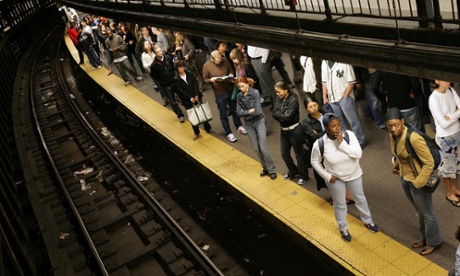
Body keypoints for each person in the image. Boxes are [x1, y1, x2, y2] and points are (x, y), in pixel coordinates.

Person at [311, 113, 378, 242]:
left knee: (360, 198)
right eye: (333, 126)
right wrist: (327, 176)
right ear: (326, 128)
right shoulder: (320, 144)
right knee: (340, 204)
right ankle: (343, 228)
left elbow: (358, 154)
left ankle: (368, 221)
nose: (337, 128)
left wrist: (342, 144)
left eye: (338, 125)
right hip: (335, 178)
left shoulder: (349, 136)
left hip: (353, 174)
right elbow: (314, 161)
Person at [386, 107, 442, 255]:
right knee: (418, 211)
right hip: (405, 177)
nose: (393, 128)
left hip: (418, 180)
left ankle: (434, 242)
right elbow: (400, 154)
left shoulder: (413, 138)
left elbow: (429, 162)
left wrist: (419, 182)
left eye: (396, 125)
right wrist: (396, 167)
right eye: (390, 126)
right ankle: (423, 238)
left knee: (428, 213)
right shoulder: (393, 135)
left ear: (402, 122)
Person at [236, 76, 277, 180]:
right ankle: (265, 168)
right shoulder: (239, 96)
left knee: (263, 148)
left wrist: (244, 113)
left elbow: (257, 111)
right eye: (239, 87)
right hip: (249, 124)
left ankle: (272, 170)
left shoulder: (255, 93)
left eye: (242, 86)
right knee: (256, 148)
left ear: (247, 84)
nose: (241, 89)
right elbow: (237, 113)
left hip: (259, 122)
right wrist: (248, 112)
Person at [428, 80, 460, 207]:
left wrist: (450, 116)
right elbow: (443, 123)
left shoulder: (451, 90)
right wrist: (456, 114)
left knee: (456, 164)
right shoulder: (434, 99)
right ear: (436, 81)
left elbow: (448, 119)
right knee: (447, 167)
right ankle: (449, 193)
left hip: (456, 133)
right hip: (445, 137)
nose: (448, 82)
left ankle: (455, 188)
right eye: (444, 80)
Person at [202, 50, 246, 142]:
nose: (220, 62)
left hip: (229, 88)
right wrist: (211, 80)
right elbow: (205, 79)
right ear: (212, 59)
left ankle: (239, 126)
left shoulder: (224, 60)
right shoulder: (206, 66)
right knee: (223, 114)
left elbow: (230, 70)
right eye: (218, 61)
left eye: (220, 59)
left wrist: (230, 74)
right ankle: (228, 132)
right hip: (219, 92)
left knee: (234, 109)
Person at [322, 60, 366, 148]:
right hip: (332, 99)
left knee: (353, 121)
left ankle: (360, 141)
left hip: (345, 98)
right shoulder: (324, 62)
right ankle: (347, 141)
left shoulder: (344, 62)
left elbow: (352, 81)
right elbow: (324, 82)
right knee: (340, 123)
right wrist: (324, 96)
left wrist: (345, 96)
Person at [272, 81, 309, 185]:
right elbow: (274, 113)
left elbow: (287, 118)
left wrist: (279, 114)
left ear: (286, 90)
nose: (277, 94)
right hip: (284, 131)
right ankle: (293, 171)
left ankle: (303, 175)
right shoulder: (278, 99)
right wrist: (281, 114)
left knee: (299, 155)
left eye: (279, 92)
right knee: (284, 154)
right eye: (276, 92)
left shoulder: (293, 100)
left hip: (295, 131)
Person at [174, 60, 215, 140]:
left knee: (202, 112)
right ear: (177, 68)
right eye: (180, 67)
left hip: (197, 96)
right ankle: (196, 133)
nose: (182, 68)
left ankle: (208, 128)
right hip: (187, 100)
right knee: (192, 116)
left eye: (182, 66)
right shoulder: (176, 79)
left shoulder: (189, 73)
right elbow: (180, 91)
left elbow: (195, 84)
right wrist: (190, 98)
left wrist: (196, 95)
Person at [150, 44, 185, 123]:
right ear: (155, 53)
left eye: (160, 51)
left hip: (174, 80)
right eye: (157, 52)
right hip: (166, 85)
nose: (159, 53)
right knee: (172, 101)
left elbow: (174, 67)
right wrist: (162, 83)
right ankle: (180, 115)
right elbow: (154, 76)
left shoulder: (168, 57)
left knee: (182, 95)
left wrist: (176, 76)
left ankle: (188, 108)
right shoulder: (154, 65)